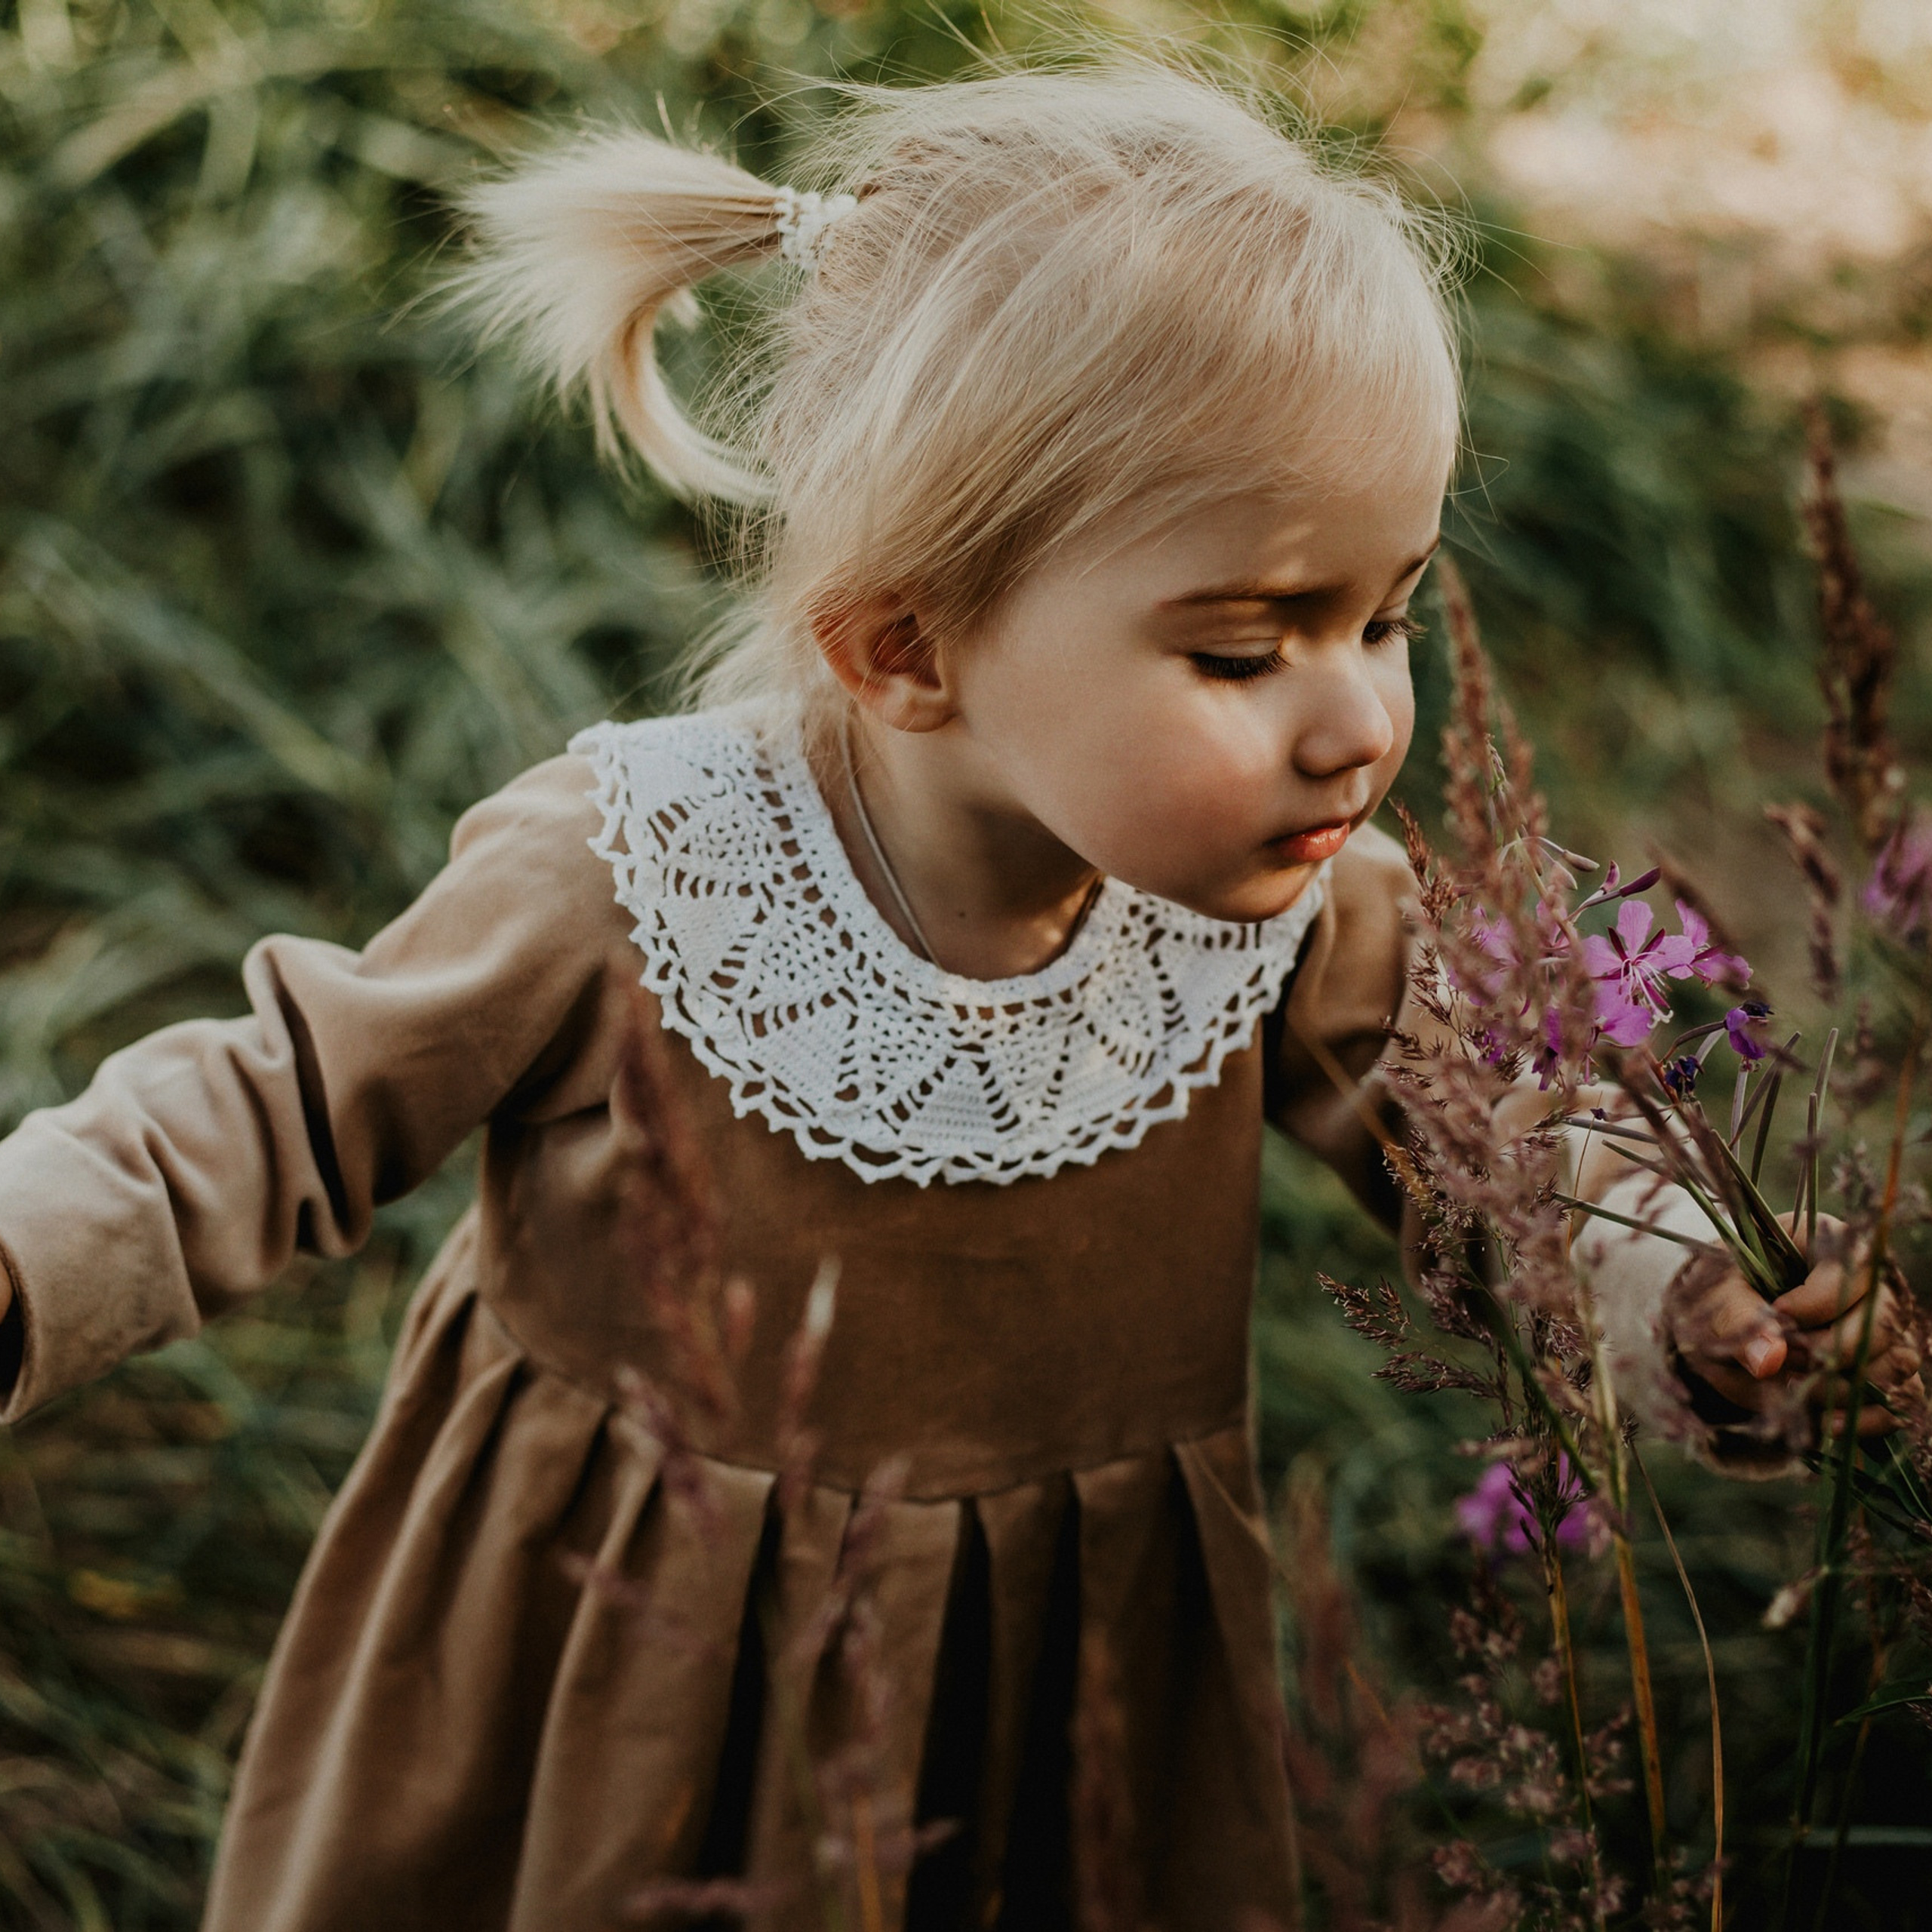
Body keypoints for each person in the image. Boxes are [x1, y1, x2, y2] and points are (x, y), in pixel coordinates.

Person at [0, 60, 1910, 1932]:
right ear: (909, 647)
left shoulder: (1291, 913)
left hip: (1060, 1682)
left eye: (1385, 613)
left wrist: (1692, 1291)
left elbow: (1514, 1160)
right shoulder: (634, 872)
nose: (1354, 721)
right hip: (621, 1670)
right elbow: (267, 1106)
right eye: (1246, 648)